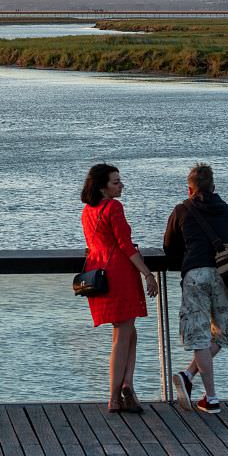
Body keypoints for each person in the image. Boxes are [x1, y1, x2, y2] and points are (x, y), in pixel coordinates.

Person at [163, 162, 228, 415]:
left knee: (198, 334)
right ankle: (196, 385)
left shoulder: (181, 210)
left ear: (189, 189)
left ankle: (201, 388)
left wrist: (189, 258)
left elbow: (169, 248)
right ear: (214, 187)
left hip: (195, 275)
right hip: (224, 276)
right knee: (224, 330)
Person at [80, 163, 159, 413]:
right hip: (119, 274)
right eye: (116, 182)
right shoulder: (113, 207)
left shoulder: (87, 211)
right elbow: (125, 245)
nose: (121, 184)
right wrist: (147, 274)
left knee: (127, 332)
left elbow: (95, 244)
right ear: (103, 187)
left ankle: (128, 386)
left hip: (98, 272)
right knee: (122, 335)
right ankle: (115, 396)